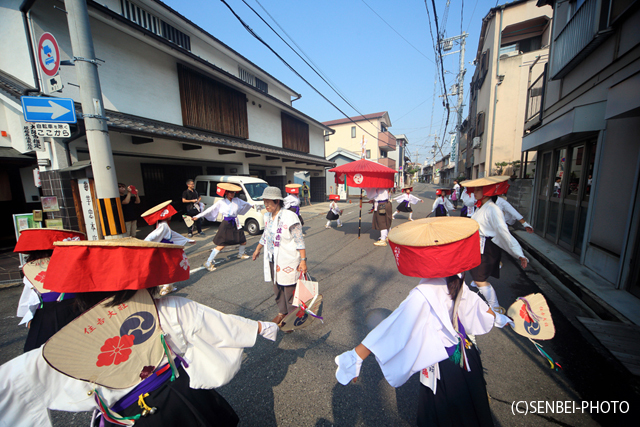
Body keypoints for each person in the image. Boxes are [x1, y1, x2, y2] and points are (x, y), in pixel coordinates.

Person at [0, 239, 279, 427]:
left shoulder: (74, 335)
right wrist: (263, 327)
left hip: (125, 415)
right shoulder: (168, 307)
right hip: (180, 399)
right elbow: (221, 325)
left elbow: (18, 381)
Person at [335, 217, 512, 426]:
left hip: (443, 362)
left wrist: (355, 356)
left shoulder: (422, 292)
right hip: (466, 355)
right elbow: (480, 310)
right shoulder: (457, 279)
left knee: (442, 413)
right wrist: (504, 318)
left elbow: (393, 327)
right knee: (472, 410)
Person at [461, 176, 529, 312]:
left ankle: (495, 307)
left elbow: (504, 232)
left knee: (479, 278)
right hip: (479, 245)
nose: (474, 192)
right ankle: (481, 286)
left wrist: (518, 254)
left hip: (487, 247)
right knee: (476, 275)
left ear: (486, 191)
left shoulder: (493, 209)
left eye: (478, 189)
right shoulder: (482, 206)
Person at [13, 228, 86, 352]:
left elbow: (31, 297)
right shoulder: (71, 264)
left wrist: (30, 317)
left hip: (49, 313)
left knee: (43, 353)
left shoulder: (33, 268)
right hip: (74, 309)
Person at [252, 186, 307, 329]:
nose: (266, 205)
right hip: (272, 258)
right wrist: (258, 249)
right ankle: (282, 312)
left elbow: (299, 240)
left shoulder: (290, 217)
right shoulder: (267, 216)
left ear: (277, 201)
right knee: (277, 287)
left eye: (268, 202)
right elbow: (266, 235)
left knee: (289, 289)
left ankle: (291, 318)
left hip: (288, 258)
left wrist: (303, 260)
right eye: (264, 202)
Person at [190, 183, 254, 272]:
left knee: (243, 240)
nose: (232, 194)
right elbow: (210, 209)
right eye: (230, 192)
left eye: (233, 192)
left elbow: (246, 204)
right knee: (221, 244)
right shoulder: (221, 202)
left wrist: (252, 205)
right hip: (226, 223)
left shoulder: (237, 200)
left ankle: (241, 254)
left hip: (236, 222)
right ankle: (208, 262)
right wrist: (198, 216)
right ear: (226, 193)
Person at [142, 200, 195, 296]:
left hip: (167, 248)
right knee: (170, 267)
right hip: (165, 250)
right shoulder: (163, 225)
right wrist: (144, 243)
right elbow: (151, 236)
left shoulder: (163, 225)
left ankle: (168, 285)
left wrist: (187, 240)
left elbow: (172, 234)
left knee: (171, 266)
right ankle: (166, 287)